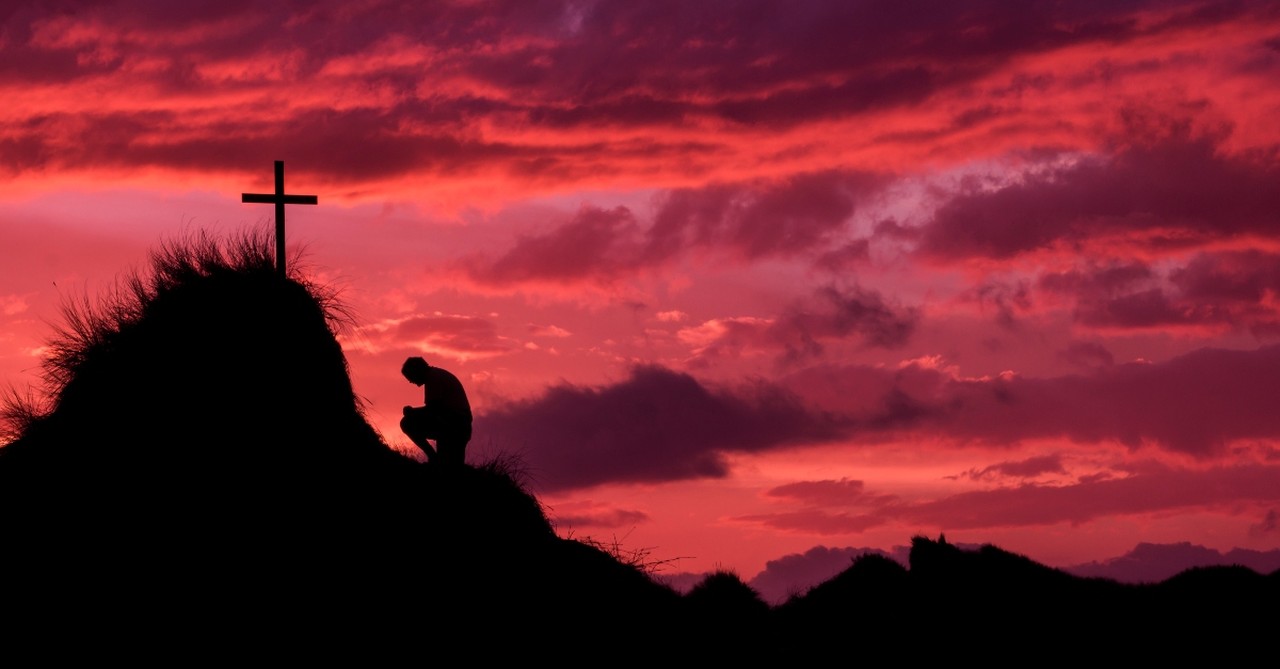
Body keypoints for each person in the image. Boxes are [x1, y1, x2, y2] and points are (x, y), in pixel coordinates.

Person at [399, 356, 473, 466]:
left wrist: (412, 412)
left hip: (455, 424)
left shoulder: (433, 379)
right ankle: (437, 460)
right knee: (451, 466)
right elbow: (436, 410)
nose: (410, 381)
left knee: (407, 423)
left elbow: (433, 410)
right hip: (457, 425)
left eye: (410, 377)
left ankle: (433, 457)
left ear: (417, 371)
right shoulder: (437, 375)